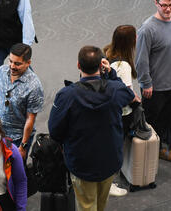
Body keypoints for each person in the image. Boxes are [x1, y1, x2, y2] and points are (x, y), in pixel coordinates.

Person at [48, 46, 135, 211]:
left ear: (78, 66)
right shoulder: (115, 90)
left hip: (82, 163)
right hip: (109, 161)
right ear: (101, 66)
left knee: (86, 206)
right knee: (101, 204)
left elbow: (55, 130)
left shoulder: (66, 95)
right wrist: (111, 74)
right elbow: (129, 95)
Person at [135, 0, 171, 162]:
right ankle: (146, 155)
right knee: (151, 122)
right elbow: (141, 60)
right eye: (164, 5)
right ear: (156, 3)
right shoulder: (148, 29)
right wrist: (146, 83)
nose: (168, 9)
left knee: (167, 119)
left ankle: (161, 148)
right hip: (155, 88)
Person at [104, 24, 141, 197]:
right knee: (116, 148)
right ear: (130, 41)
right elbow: (127, 94)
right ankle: (109, 183)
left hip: (107, 110)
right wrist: (136, 99)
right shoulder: (123, 65)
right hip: (121, 114)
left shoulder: (107, 53)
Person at [0, 43, 44, 160]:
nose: (12, 66)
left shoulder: (34, 86)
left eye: (17, 64)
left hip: (16, 139)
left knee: (13, 171)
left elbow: (30, 118)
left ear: (28, 63)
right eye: (10, 61)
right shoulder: (2, 71)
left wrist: (23, 146)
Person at [0, 0, 36, 83]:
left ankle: (34, 90)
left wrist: (25, 47)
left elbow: (26, 18)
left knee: (25, 74)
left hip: (15, 42)